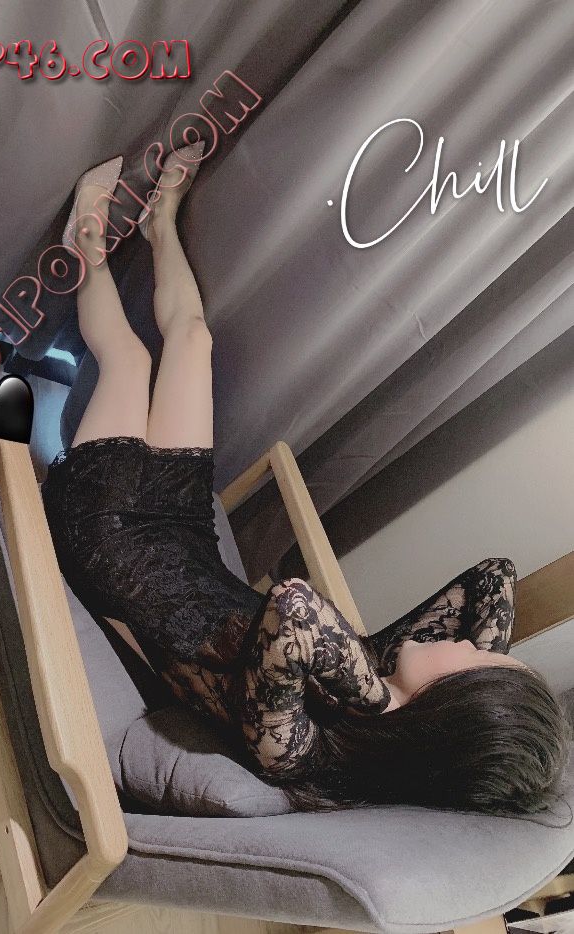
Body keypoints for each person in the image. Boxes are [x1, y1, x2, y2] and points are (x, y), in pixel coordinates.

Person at [41, 142, 571, 817]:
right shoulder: (382, 666)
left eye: (473, 660)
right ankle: (159, 225)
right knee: (194, 339)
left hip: (114, 546)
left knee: (127, 359)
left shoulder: (300, 748)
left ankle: (83, 237)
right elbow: (495, 576)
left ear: (440, 712)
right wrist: (483, 675)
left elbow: (294, 609)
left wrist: (385, 699)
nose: (467, 642)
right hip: (185, 537)